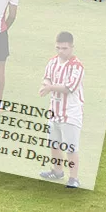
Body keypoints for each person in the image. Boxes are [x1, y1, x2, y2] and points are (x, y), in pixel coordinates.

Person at [38, 31, 85, 188]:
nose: (60, 51)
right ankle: (57, 171)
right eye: (58, 48)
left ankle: (74, 178)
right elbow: (47, 77)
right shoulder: (52, 62)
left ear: (71, 47)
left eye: (64, 48)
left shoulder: (77, 66)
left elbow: (69, 87)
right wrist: (46, 84)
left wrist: (49, 87)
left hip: (70, 113)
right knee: (54, 143)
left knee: (71, 147)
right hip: (54, 111)